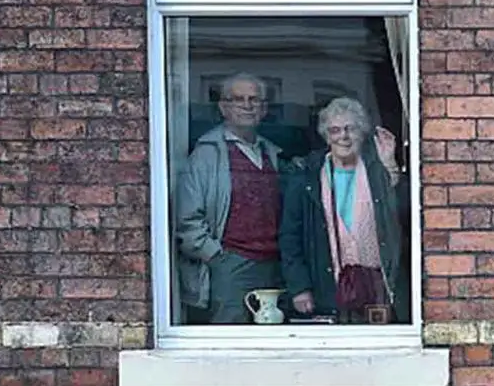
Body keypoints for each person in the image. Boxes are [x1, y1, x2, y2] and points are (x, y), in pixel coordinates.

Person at [279, 96, 410, 325]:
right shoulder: (307, 176)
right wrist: (300, 287)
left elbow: (405, 216)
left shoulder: (378, 171)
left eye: (351, 129)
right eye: (335, 130)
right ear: (326, 135)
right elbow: (290, 237)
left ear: (362, 132)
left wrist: (390, 164)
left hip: (379, 287)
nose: (343, 136)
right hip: (327, 285)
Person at [171, 73, 289, 324]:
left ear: (265, 108)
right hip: (231, 267)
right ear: (223, 107)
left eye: (254, 99)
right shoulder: (206, 154)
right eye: (238, 99)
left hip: (275, 266)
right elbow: (186, 220)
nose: (247, 105)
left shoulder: (274, 153)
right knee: (231, 342)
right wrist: (217, 258)